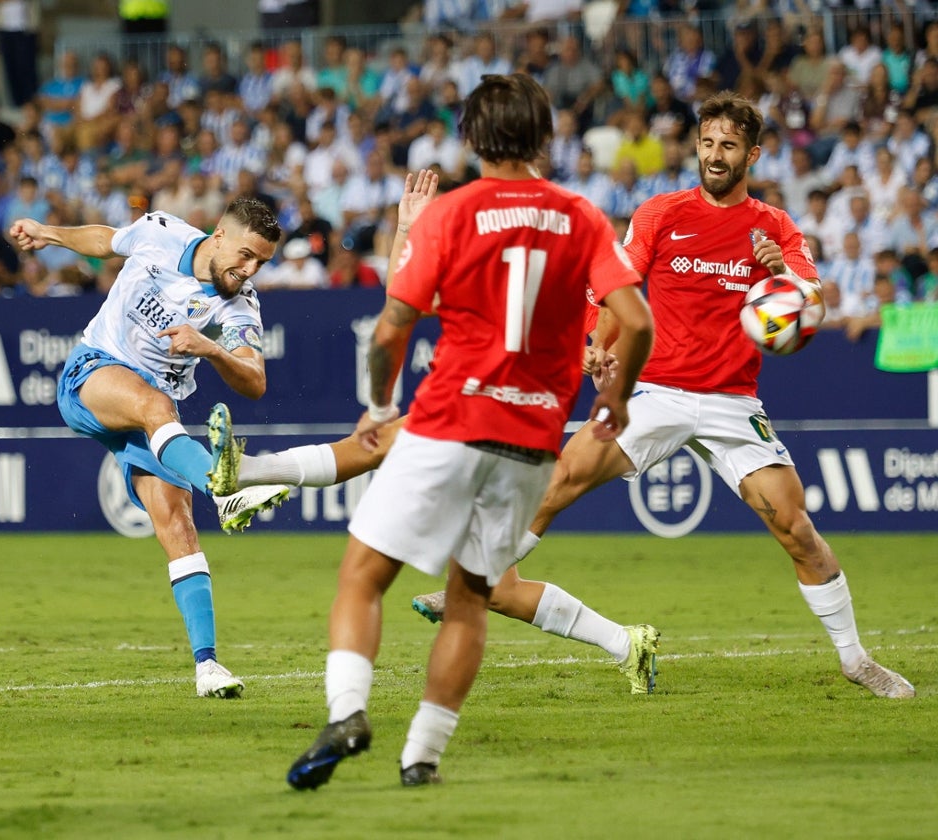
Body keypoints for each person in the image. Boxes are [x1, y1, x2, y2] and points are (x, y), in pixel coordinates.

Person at [409, 92, 915, 700]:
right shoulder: (659, 214)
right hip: (658, 392)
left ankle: (856, 659)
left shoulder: (775, 227)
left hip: (732, 402)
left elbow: (812, 307)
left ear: (752, 153)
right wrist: (595, 346)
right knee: (558, 479)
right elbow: (612, 286)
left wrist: (781, 273)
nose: (714, 155)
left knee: (796, 528)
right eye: (706, 143)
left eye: (728, 146)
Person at [276, 74, 654, 790]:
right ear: (544, 138)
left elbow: (392, 327)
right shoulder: (581, 216)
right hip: (532, 441)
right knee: (471, 597)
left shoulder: (451, 214)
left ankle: (348, 713)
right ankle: (421, 757)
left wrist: (380, 403)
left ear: (473, 140)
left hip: (450, 420)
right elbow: (635, 321)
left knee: (363, 575)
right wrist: (620, 402)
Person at [225, 170, 663, 694]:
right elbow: (402, 295)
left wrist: (593, 356)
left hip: (504, 419)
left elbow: (602, 326)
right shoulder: (503, 255)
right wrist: (408, 228)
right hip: (492, 414)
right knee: (497, 589)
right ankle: (626, 642)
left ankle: (251, 471)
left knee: (378, 453)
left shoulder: (566, 258)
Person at [8, 198, 294, 698]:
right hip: (94, 374)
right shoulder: (161, 232)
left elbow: (254, 380)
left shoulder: (239, 305)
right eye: (246, 255)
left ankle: (207, 666)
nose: (249, 271)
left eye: (262, 264)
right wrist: (49, 233)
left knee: (178, 525)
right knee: (155, 402)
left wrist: (211, 348)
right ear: (220, 234)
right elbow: (105, 241)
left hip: (154, 422)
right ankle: (226, 488)